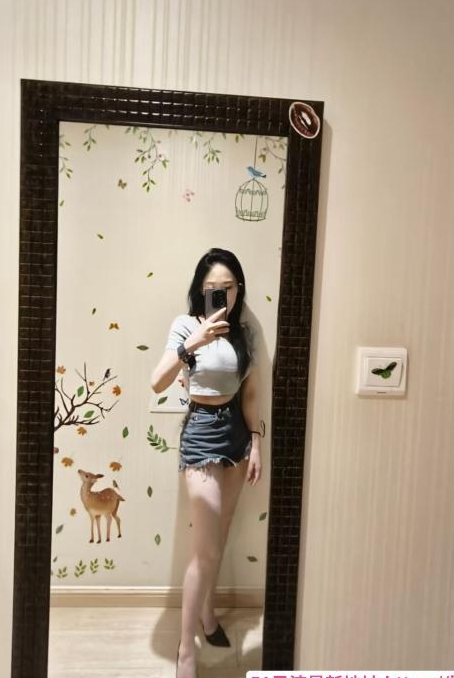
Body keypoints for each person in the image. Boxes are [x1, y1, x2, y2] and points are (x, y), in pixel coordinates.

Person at [151, 247, 263, 678]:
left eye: (228, 288)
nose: (221, 295)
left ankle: (208, 613)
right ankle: (185, 649)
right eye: (213, 288)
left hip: (236, 433)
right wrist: (192, 343)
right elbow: (157, 382)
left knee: (223, 532)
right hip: (200, 431)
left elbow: (250, 393)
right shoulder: (185, 326)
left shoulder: (244, 333)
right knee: (207, 547)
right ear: (201, 289)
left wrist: (256, 442)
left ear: (238, 289)